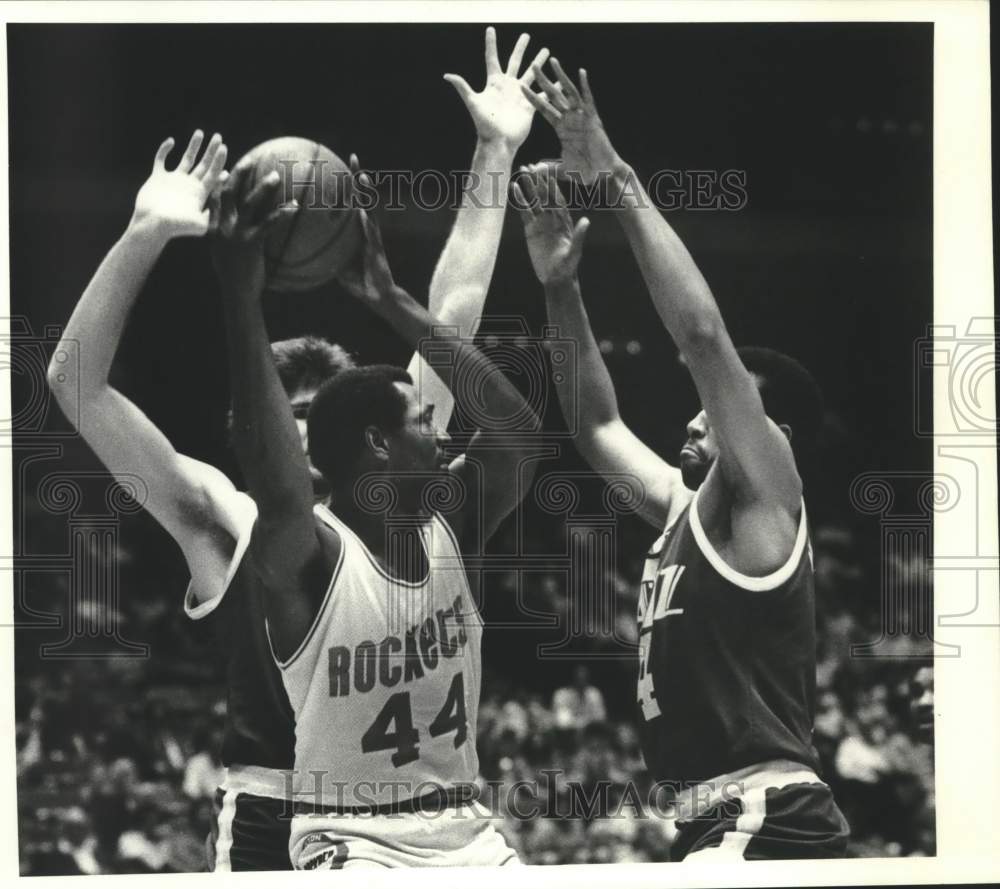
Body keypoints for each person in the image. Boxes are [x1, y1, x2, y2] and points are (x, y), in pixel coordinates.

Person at [47, 25, 545, 869]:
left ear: (369, 438)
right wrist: (144, 234)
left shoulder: (405, 494)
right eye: (288, 416)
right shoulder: (223, 512)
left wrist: (493, 150)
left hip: (424, 812)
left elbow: (454, 304)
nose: (302, 434)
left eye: (318, 415)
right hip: (275, 818)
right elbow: (74, 384)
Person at [516, 59, 850, 860]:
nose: (701, 410)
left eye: (729, 402)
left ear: (777, 437)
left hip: (764, 816)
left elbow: (701, 338)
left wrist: (617, 176)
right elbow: (595, 426)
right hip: (714, 821)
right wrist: (561, 288)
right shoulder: (685, 508)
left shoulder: (768, 495)